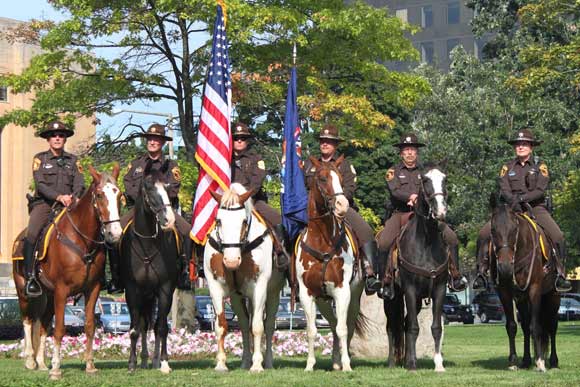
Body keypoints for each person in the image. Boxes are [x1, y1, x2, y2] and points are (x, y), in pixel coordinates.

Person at [472, 129, 572, 292]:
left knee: (558, 236)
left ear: (531, 147)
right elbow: (504, 189)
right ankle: (481, 273)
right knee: (483, 234)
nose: (521, 147)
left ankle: (560, 273)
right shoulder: (507, 167)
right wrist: (513, 201)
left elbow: (540, 190)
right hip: (510, 210)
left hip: (536, 208)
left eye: (524, 144)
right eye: (518, 144)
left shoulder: (540, 166)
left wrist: (521, 199)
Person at [378, 133, 466, 299]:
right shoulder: (393, 171)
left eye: (413, 150)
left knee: (452, 238)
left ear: (417, 152)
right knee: (383, 242)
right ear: (401, 153)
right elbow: (394, 191)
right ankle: (384, 281)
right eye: (406, 150)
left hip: (425, 215)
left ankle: (455, 276)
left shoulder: (426, 171)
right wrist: (410, 197)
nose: (410, 153)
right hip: (400, 213)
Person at [107, 123, 192, 293]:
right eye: (150, 139)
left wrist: (158, 196)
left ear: (162, 143)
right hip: (138, 210)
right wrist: (142, 200)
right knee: (112, 235)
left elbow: (175, 187)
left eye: (157, 139)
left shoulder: (170, 165)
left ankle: (184, 272)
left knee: (188, 231)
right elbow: (127, 183)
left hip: (163, 208)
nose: (152, 142)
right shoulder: (136, 163)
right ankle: (116, 277)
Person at [303, 124, 382, 294]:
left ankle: (370, 273)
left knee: (366, 231)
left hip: (340, 207)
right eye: (323, 141)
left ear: (335, 145)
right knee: (294, 228)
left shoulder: (344, 165)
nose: (325, 144)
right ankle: (292, 272)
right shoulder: (310, 166)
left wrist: (336, 201)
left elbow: (350, 187)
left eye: (329, 142)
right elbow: (304, 187)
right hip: (315, 211)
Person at [23, 121, 85, 297]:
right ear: (48, 139)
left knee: (95, 231)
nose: (57, 138)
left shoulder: (74, 160)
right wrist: (59, 197)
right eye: (53, 136)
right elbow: (40, 184)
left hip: (69, 204)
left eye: (61, 136)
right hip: (45, 204)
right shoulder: (40, 158)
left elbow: (80, 182)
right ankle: (30, 277)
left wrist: (73, 196)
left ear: (65, 139)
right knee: (32, 233)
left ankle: (93, 275)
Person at [230, 122, 290, 270]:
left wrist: (243, 198)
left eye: (243, 138)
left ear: (247, 140)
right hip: (229, 204)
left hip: (254, 201)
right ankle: (197, 259)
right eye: (236, 137)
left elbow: (257, 182)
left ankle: (280, 252)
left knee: (278, 220)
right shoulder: (223, 159)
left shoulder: (256, 159)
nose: (239, 140)